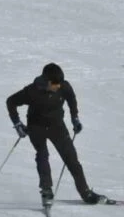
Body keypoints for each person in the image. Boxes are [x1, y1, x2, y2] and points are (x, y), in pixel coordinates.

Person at [6, 63, 106, 206]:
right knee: (42, 154)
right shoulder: (31, 92)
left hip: (57, 126)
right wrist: (17, 124)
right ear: (47, 81)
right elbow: (11, 101)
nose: (58, 86)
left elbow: (71, 98)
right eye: (55, 84)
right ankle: (46, 190)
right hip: (36, 126)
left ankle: (86, 193)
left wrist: (74, 118)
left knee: (72, 159)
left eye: (60, 83)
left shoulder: (64, 86)